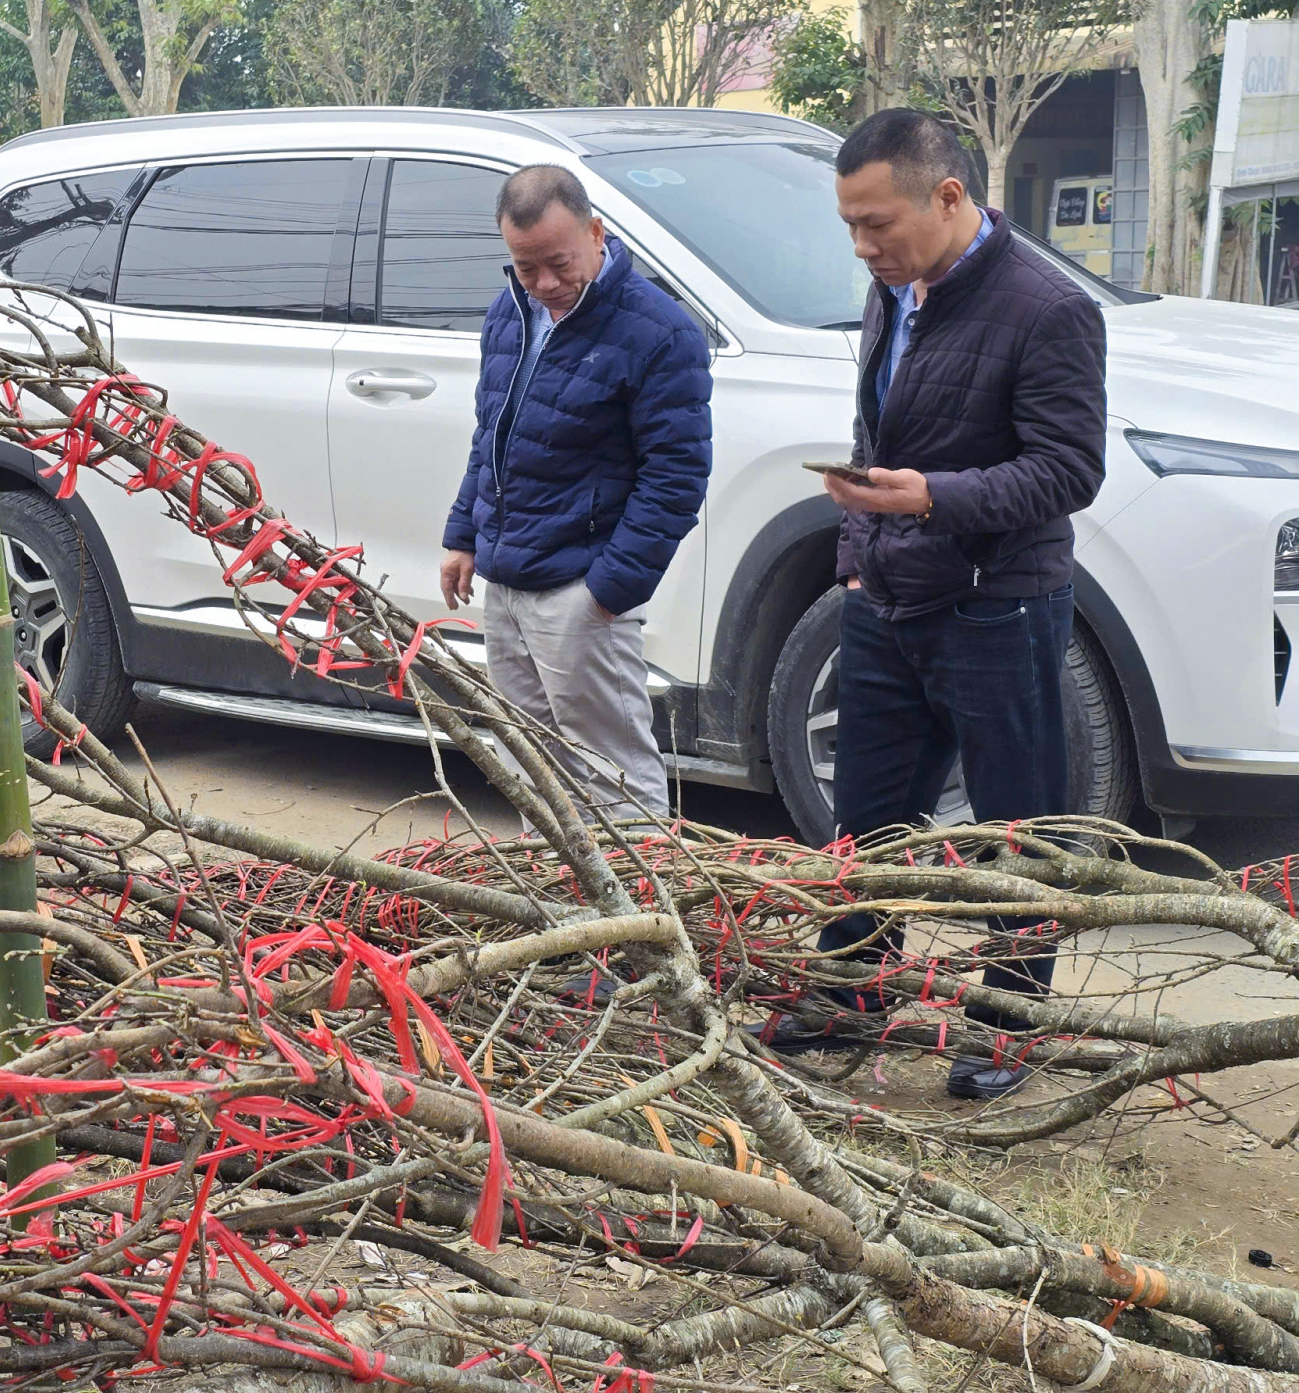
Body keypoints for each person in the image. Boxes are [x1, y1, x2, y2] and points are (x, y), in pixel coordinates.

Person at [761, 110, 1107, 1100]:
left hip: (996, 607)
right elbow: (874, 431)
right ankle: (849, 995)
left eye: (876, 223)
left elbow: (1067, 470)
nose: (862, 245)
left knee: (1015, 828)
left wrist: (930, 499)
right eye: (849, 227)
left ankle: (1007, 1023)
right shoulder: (891, 291)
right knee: (864, 820)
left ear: (947, 197)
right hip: (887, 603)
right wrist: (860, 557)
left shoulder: (1046, 308)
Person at [439, 164, 712, 826]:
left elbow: (676, 477)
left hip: (580, 591)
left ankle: (646, 920)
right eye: (526, 268)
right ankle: (556, 915)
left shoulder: (660, 331)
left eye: (559, 264)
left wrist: (608, 590)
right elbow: (493, 432)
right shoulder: (510, 311)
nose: (546, 285)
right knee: (536, 768)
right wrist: (463, 533)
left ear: (597, 233)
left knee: (614, 774)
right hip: (506, 582)